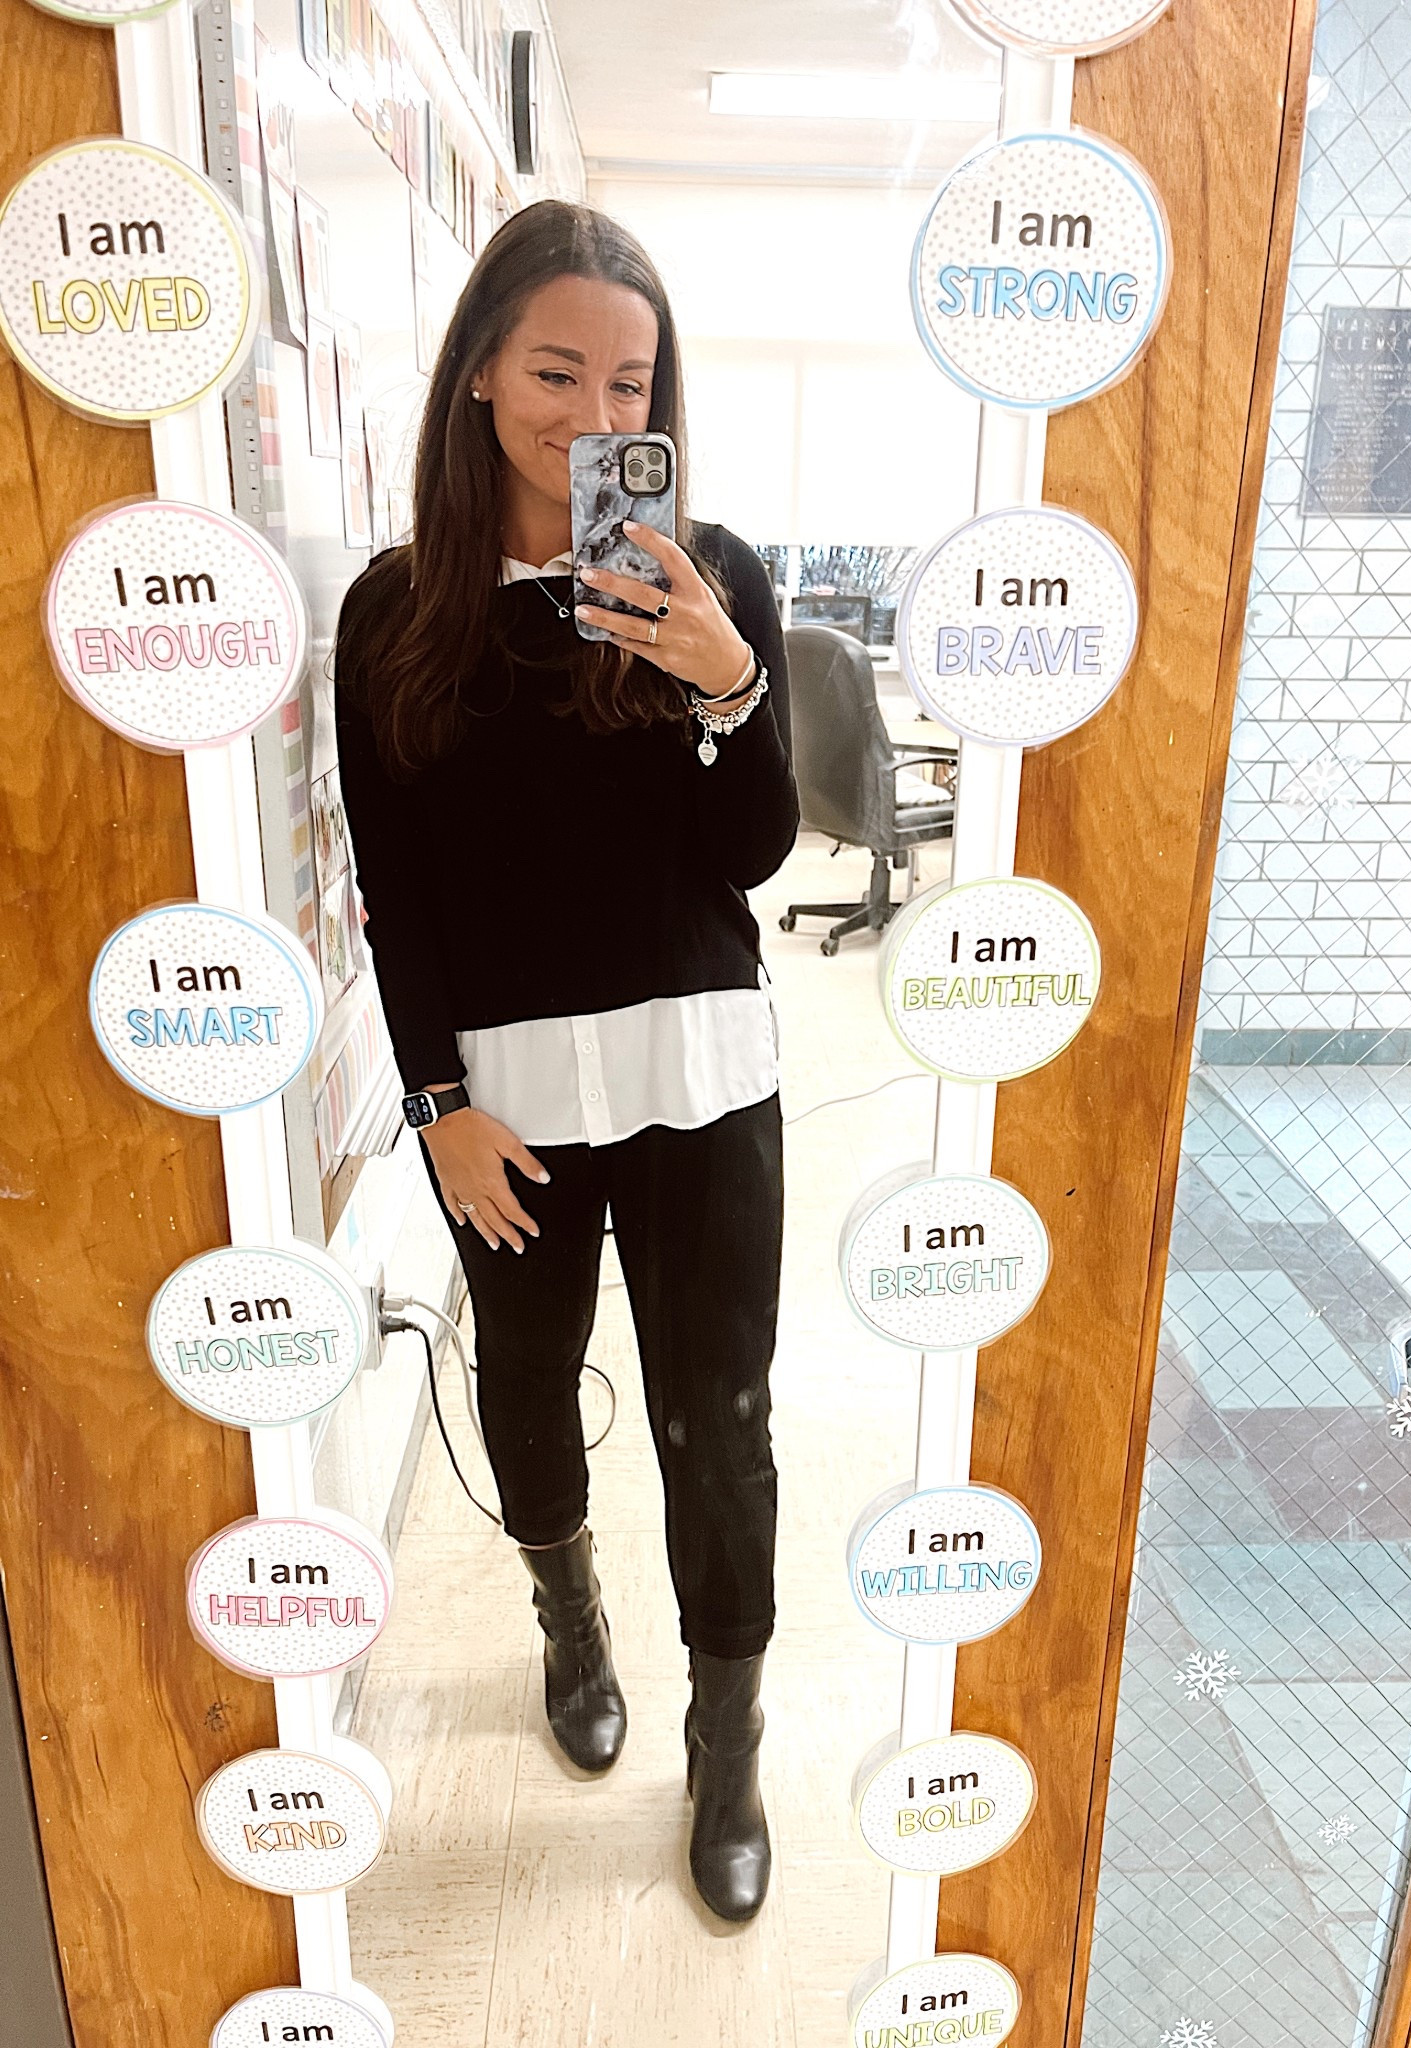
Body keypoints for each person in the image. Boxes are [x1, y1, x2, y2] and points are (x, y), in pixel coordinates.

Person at [334, 200, 798, 1923]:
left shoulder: (711, 573)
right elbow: (396, 894)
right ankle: (569, 1617)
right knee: (527, 1388)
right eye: (554, 372)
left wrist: (728, 682)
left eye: (630, 382)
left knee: (720, 1419)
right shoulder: (396, 615)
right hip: (509, 1108)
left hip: (703, 1074)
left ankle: (728, 1742)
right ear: (476, 372)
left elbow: (755, 857)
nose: (595, 415)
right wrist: (436, 1109)